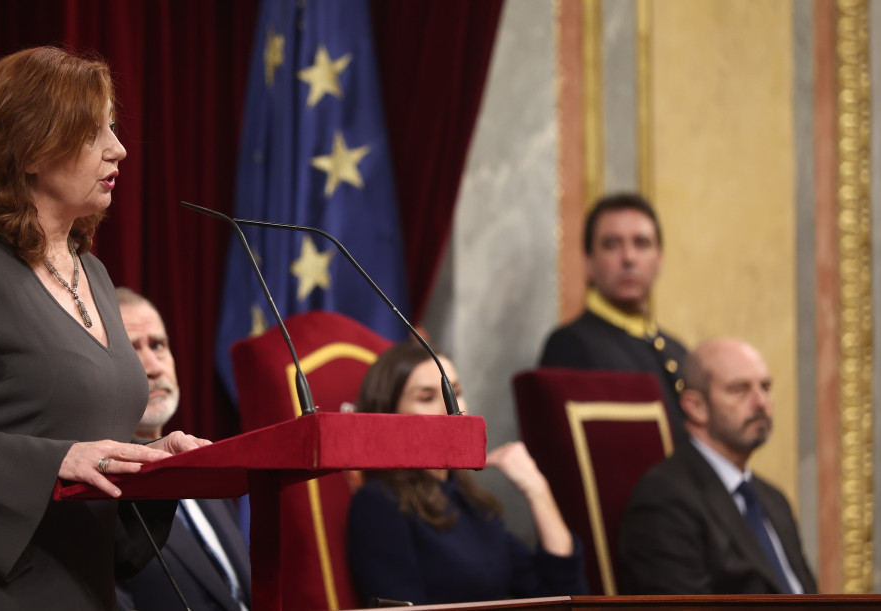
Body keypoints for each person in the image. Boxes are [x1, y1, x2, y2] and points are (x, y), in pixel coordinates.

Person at [0, 47, 209, 609]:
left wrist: (153, 459)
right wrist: (54, 462)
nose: (119, 148)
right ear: (31, 150)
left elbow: (69, 427)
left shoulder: (93, 273)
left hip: (78, 581)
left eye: (114, 127)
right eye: (94, 131)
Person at [347, 341, 588, 606]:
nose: (451, 410)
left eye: (455, 393)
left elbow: (562, 597)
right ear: (387, 414)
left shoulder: (469, 500)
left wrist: (538, 490)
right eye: (427, 398)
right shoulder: (379, 503)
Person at [618, 338, 816, 594]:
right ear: (696, 406)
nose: (760, 402)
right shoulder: (664, 499)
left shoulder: (773, 499)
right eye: (739, 389)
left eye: (765, 387)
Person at [113, 287, 252, 611]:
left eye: (157, 345)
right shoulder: (101, 497)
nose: (153, 367)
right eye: (130, 349)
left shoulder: (203, 468)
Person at [538, 193, 688, 439]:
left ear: (659, 259)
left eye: (641, 243)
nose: (628, 258)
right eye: (611, 244)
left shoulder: (677, 351)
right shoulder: (569, 345)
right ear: (588, 262)